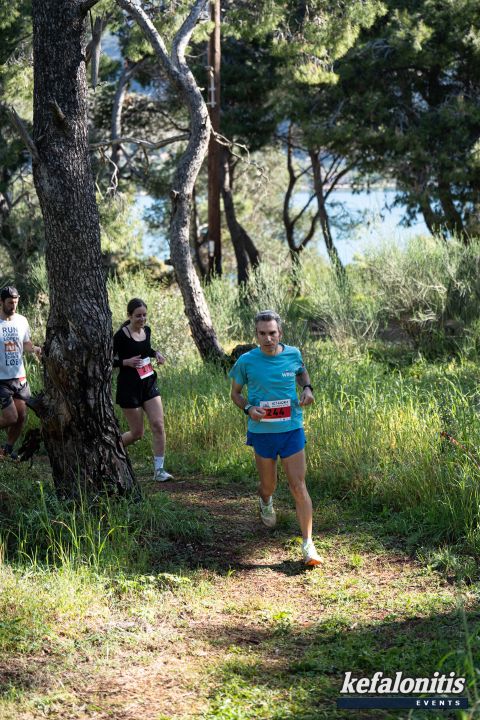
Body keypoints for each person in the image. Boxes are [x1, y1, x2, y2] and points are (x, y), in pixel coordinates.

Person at [229, 309, 322, 566]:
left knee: (298, 485)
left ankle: (308, 545)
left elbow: (301, 372)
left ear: (280, 332)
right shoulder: (246, 361)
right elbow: (235, 394)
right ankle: (265, 500)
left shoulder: (293, 353)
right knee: (268, 485)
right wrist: (249, 408)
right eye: (262, 334)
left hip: (291, 428)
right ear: (256, 335)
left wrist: (307, 388)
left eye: (272, 333)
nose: (268, 338)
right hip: (263, 432)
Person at [113, 298, 173, 482]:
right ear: (129, 316)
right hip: (129, 387)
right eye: (138, 315)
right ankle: (109, 451)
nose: (142, 319)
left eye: (144, 315)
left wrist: (156, 354)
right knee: (137, 433)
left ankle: (159, 470)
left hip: (148, 382)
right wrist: (125, 362)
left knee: (158, 425)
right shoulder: (121, 336)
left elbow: (146, 350)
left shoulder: (147, 330)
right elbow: (107, 360)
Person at [0, 286, 42, 459]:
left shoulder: (22, 321)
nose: (13, 306)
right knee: (11, 417)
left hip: (20, 377)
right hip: (1, 379)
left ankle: (6, 451)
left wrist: (35, 349)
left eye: (16, 302)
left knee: (21, 417)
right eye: (10, 303)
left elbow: (25, 343)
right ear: (1, 302)